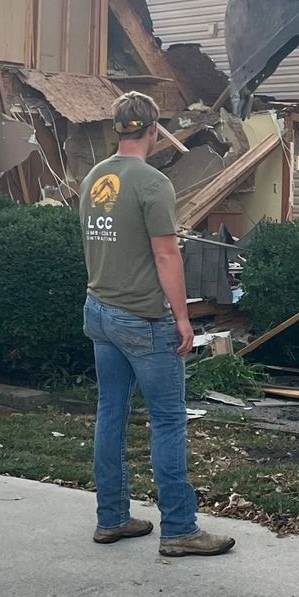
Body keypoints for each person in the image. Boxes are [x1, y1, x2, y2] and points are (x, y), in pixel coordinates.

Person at [79, 92, 235, 558]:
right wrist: (183, 318)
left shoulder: (93, 177)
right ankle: (180, 529)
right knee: (167, 420)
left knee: (111, 412)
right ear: (153, 130)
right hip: (142, 318)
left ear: (117, 129)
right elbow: (166, 253)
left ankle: (111, 519)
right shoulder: (152, 183)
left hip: (99, 310)